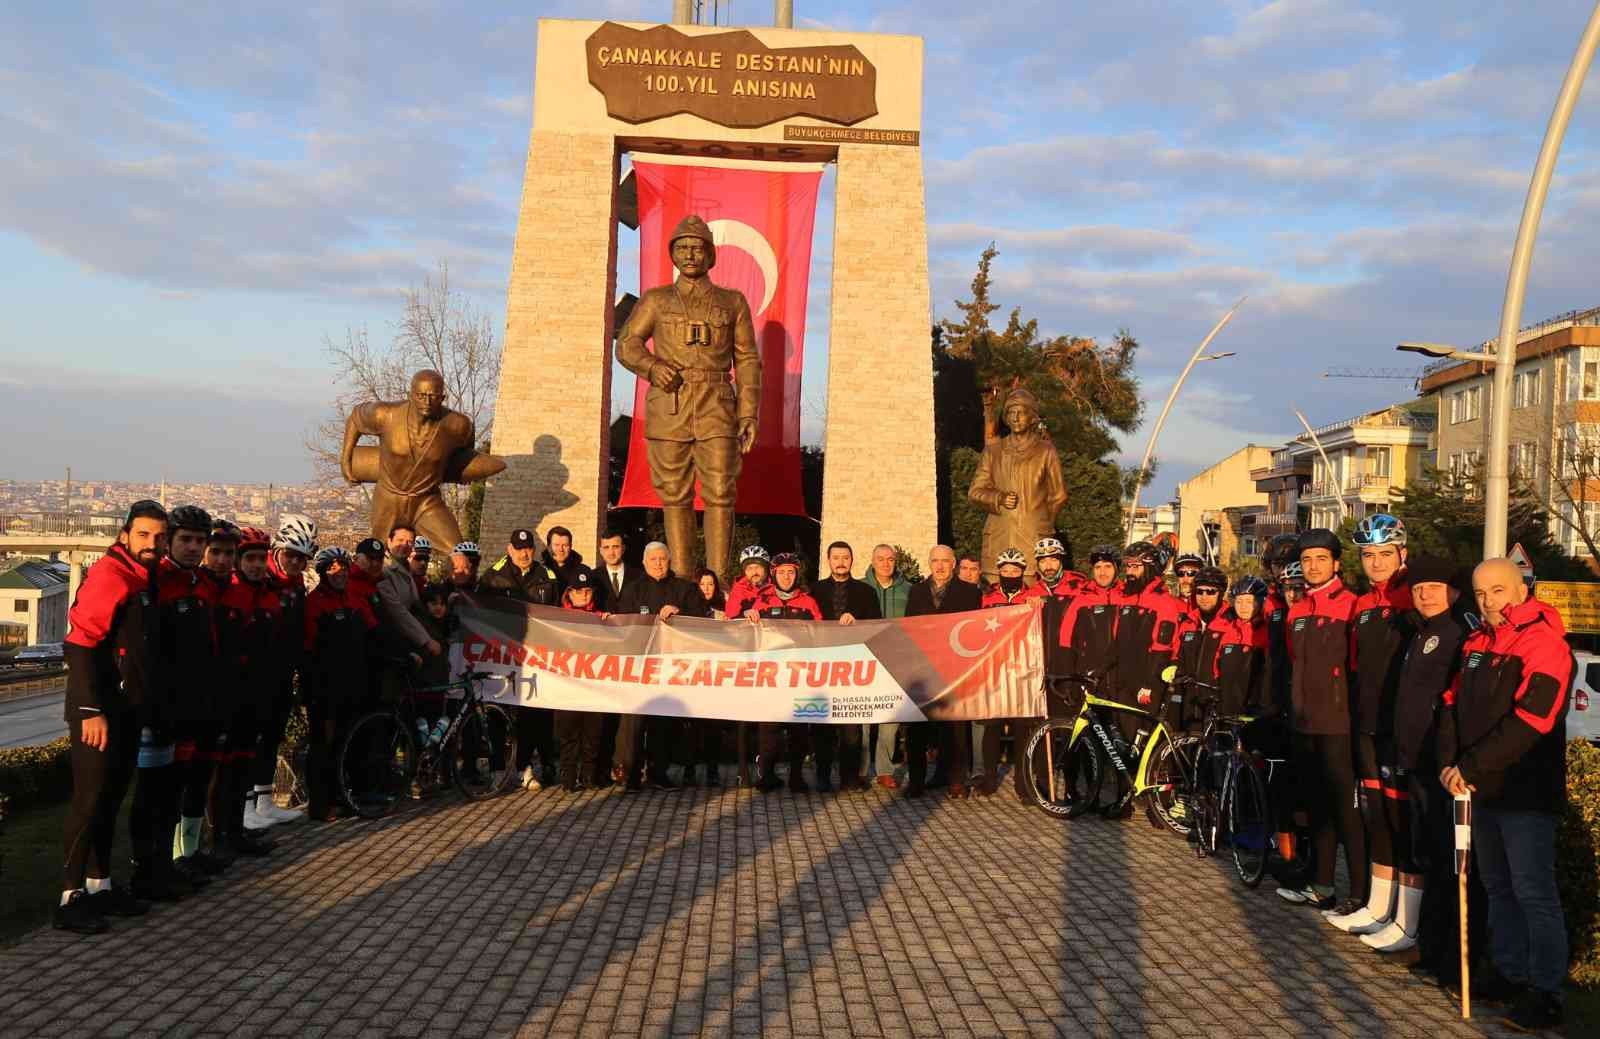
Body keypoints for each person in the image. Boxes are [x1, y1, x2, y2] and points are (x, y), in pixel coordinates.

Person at [1438, 558, 1572, 1032]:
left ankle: (1546, 991)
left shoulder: (1545, 644)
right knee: (1496, 887)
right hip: (1481, 790)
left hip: (1525, 792)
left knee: (1533, 892)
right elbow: (1452, 707)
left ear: (1521, 590)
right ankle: (1510, 973)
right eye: (1480, 593)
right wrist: (1450, 763)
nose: (1488, 601)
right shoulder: (1477, 642)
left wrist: (1469, 765)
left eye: (1497, 591)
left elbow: (1532, 719)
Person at [55, 500, 167, 934]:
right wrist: (88, 710)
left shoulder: (145, 579)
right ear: (125, 535)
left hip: (126, 711)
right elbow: (80, 643)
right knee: (88, 803)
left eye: (159, 537)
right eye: (143, 535)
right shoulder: (110, 574)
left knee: (110, 800)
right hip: (97, 714)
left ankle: (99, 885)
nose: (152, 544)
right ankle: (69, 897)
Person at [1362, 555, 1473, 965]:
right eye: (1419, 588)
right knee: (1422, 848)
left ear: (1453, 592)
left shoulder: (1459, 633)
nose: (1425, 594)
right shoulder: (1420, 632)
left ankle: (1437, 946)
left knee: (1444, 857)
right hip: (1412, 757)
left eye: (1434, 587)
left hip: (1439, 764)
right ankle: (1423, 937)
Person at [1327, 515, 1415, 934]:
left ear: (1402, 554)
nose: (1376, 563)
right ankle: (1379, 908)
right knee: (1376, 818)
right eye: (1368, 555)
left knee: (1402, 823)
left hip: (1400, 730)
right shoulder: (1363, 605)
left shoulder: (1413, 601)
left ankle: (1406, 919)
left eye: (1385, 554)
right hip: (1366, 728)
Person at [1277, 529, 1365, 912]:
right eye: (1308, 560)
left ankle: (1360, 896)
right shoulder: (1297, 611)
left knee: (1347, 813)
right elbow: (1296, 663)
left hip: (1338, 725)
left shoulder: (1351, 606)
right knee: (1317, 810)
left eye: (1321, 559)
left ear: (1336, 563)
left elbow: (1356, 667)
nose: (1313, 567)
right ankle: (1322, 885)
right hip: (1304, 723)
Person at [153, 505, 221, 894]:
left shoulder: (200, 583)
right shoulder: (159, 582)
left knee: (196, 781)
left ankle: (188, 853)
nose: (194, 547)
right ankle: (162, 862)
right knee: (165, 790)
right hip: (167, 705)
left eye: (200, 541)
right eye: (187, 540)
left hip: (200, 701)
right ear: (170, 541)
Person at [614, 541, 707, 790]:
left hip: (671, 667)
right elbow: (622, 623)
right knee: (633, 721)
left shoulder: (685, 589)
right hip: (639, 666)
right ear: (644, 563)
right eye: (653, 559)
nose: (658, 563)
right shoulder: (633, 590)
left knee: (662, 722)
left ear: (670, 561)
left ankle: (658, 773)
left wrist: (680, 613)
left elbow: (702, 619)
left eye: (662, 559)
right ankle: (630, 774)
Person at [302, 547, 380, 822]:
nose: (340, 573)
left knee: (349, 743)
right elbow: (308, 650)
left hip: (355, 685)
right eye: (333, 569)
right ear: (322, 573)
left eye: (343, 568)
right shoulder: (313, 603)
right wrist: (313, 689)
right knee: (324, 746)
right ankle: (321, 805)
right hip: (324, 689)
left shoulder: (355, 599)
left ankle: (345, 795)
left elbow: (374, 634)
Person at [216, 526, 281, 856]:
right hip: (232, 696)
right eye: (250, 559)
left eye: (261, 558)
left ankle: (235, 830)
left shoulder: (269, 594)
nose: (256, 565)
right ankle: (220, 837)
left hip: (259, 694)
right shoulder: (231, 594)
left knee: (243, 766)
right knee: (225, 771)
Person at [478, 528, 560, 790]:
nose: (524, 553)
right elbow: (479, 612)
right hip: (500, 657)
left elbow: (559, 616)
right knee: (498, 715)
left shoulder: (546, 576)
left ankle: (525, 766)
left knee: (530, 714)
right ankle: (498, 769)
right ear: (509, 549)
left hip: (534, 657)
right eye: (519, 548)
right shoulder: (493, 577)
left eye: (528, 549)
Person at [1107, 541, 1185, 817]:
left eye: (1135, 566)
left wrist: (1150, 685)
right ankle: (1123, 800)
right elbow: (1115, 641)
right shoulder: (1125, 598)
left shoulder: (1163, 603)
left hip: (1147, 682)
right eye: (1127, 565)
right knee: (1123, 743)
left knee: (1149, 744)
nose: (1129, 571)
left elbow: (1162, 649)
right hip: (1121, 682)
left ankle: (1157, 805)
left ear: (1150, 568)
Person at [249, 514, 316, 831]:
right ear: (277, 551)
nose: (295, 563)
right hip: (257, 673)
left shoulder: (297, 585)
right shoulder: (264, 582)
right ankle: (246, 804)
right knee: (253, 737)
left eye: (302, 559)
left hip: (282, 673)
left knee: (272, 736)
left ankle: (264, 802)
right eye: (291, 555)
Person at [903, 546, 983, 798]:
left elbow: (976, 630)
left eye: (944, 561)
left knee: (955, 728)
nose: (939, 566)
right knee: (916, 727)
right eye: (935, 561)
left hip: (954, 668)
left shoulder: (970, 592)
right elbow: (909, 628)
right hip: (922, 668)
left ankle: (956, 781)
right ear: (929, 563)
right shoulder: (916, 592)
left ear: (953, 564)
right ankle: (916, 781)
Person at [743, 552, 824, 792]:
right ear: (773, 574)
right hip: (771, 676)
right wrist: (748, 616)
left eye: (791, 572)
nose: (786, 577)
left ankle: (796, 776)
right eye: (781, 572)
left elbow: (821, 633)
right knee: (768, 729)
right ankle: (767, 775)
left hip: (799, 675)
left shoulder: (808, 601)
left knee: (799, 729)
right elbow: (747, 634)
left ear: (797, 574)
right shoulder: (763, 600)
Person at [813, 541, 882, 792]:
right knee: (821, 725)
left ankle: (849, 778)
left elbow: (877, 626)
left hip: (853, 667)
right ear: (828, 560)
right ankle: (821, 776)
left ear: (851, 561)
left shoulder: (866, 592)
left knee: (851, 727)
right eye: (836, 557)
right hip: (821, 667)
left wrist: (858, 621)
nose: (841, 562)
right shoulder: (814, 590)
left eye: (845, 557)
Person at [974, 548, 1034, 796]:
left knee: (1022, 729)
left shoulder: (1033, 596)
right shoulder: (987, 597)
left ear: (1022, 572)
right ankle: (989, 778)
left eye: (1015, 570)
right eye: (1005, 570)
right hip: (995, 670)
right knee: (993, 727)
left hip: (1023, 670)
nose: (1010, 574)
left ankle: (1022, 782)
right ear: (999, 572)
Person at [866, 544, 913, 789]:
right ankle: (861, 770)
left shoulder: (908, 590)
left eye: (890, 559)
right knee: (861, 717)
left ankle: (884, 769)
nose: (886, 563)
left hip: (896, 661)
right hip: (865, 661)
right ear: (872, 561)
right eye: (881, 559)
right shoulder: (862, 588)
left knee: (890, 719)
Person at [556, 566, 606, 792]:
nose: (584, 596)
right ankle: (568, 777)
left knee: (592, 733)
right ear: (569, 593)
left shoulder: (602, 617)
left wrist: (610, 626)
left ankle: (589, 776)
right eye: (579, 591)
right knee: (568, 733)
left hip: (594, 685)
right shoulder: (555, 617)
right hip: (566, 685)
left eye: (588, 591)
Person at [591, 529, 635, 783]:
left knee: (627, 715)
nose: (611, 552)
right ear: (600, 550)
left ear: (623, 548)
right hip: (602, 656)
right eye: (606, 547)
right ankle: (600, 768)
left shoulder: (637, 577)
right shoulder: (593, 578)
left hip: (630, 654)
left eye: (615, 547)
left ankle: (623, 766)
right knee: (603, 714)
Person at [1170, 566, 1229, 735]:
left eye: (1210, 592)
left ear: (1221, 593)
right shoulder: (1188, 622)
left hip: (1217, 703)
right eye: (1200, 592)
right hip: (1188, 701)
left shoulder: (1231, 622)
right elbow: (1176, 656)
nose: (1204, 597)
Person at [542, 525, 585, 592]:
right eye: (557, 545)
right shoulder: (540, 572)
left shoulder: (582, 572)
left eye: (565, 545)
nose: (561, 549)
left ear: (571, 546)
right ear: (548, 546)